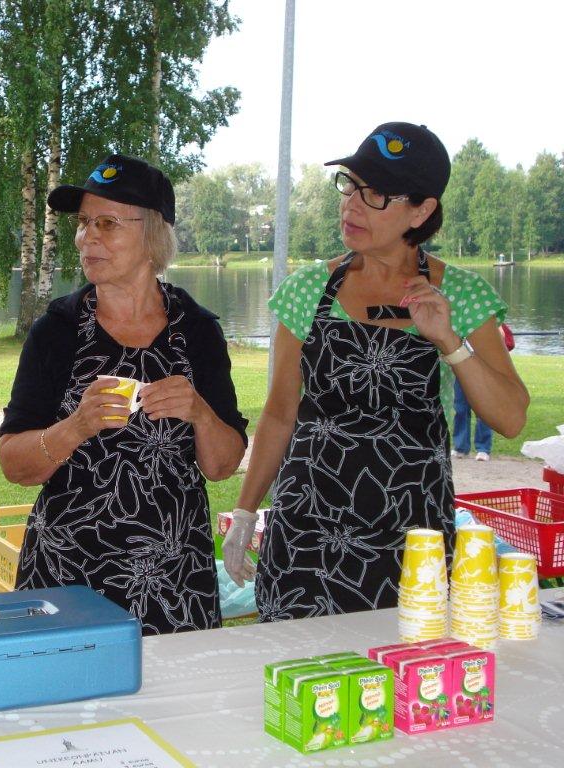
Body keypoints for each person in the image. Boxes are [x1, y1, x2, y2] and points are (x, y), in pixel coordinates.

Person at [222, 123, 529, 621]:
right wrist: (244, 511)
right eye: (351, 185)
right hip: (307, 535)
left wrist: (449, 341)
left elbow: (511, 417)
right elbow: (280, 415)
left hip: (414, 538)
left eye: (377, 194)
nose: (352, 205)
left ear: (421, 210)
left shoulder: (461, 295)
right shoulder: (308, 290)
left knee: (408, 658)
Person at [0, 154, 248, 635]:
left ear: (152, 236)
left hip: (175, 580)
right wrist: (76, 426)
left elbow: (221, 466)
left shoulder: (197, 330)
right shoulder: (58, 330)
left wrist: (200, 413)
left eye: (107, 223)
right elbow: (14, 464)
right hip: (68, 577)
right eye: (83, 223)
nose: (87, 237)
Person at [452, 324, 514, 461]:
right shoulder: (460, 319)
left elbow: (501, 337)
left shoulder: (489, 318)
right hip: (462, 367)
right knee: (460, 408)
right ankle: (460, 447)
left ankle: (483, 448)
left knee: (484, 409)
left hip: (485, 368)